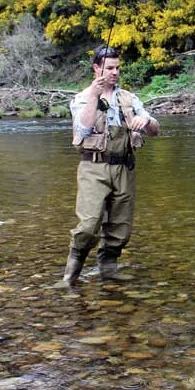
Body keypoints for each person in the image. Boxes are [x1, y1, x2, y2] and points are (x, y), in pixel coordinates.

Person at [57, 45, 159, 286]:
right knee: (88, 225)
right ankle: (69, 277)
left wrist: (146, 120)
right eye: (110, 68)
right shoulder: (82, 98)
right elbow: (83, 129)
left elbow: (155, 131)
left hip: (125, 167)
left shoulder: (129, 98)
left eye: (117, 68)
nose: (115, 72)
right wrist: (95, 96)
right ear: (96, 68)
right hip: (94, 167)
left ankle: (108, 271)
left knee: (120, 227)